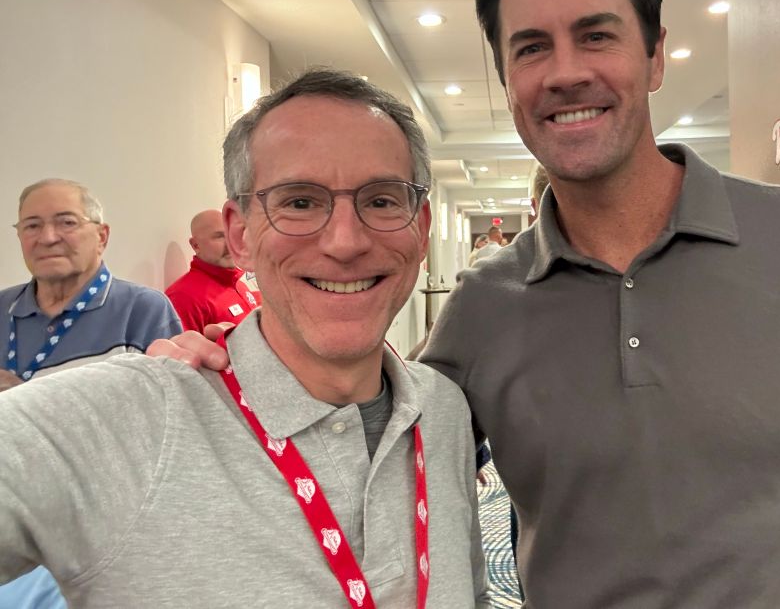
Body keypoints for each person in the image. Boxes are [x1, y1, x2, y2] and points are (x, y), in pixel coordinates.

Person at [146, 0, 780, 608]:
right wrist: (230, 368)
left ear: (653, 55)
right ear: (506, 76)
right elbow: (369, 450)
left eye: (596, 35)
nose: (565, 72)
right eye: (531, 47)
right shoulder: (483, 307)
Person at [0, 71, 488, 607]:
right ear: (239, 236)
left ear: (420, 229)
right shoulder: (123, 415)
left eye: (381, 200)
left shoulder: (443, 411)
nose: (345, 242)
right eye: (299, 202)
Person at [0, 178, 183, 607]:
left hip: (101, 527)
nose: (47, 237)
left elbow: (171, 430)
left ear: (101, 235)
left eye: (66, 222)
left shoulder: (144, 310)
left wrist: (30, 400)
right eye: (31, 225)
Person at [166, 209, 260, 331]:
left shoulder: (240, 284)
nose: (230, 244)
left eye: (232, 235)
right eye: (220, 237)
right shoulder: (182, 297)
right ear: (196, 245)